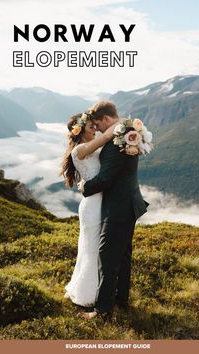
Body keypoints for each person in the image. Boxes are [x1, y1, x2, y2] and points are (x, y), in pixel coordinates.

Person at [77, 101, 148, 321]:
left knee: (106, 256)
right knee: (124, 254)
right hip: (128, 202)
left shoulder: (120, 139)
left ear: (106, 119)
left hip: (119, 206)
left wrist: (84, 187)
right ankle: (121, 300)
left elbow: (106, 178)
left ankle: (103, 311)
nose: (96, 129)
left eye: (97, 124)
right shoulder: (126, 132)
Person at [60, 111, 120, 307]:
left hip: (100, 202)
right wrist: (124, 124)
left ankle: (99, 291)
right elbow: (106, 137)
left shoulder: (87, 148)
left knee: (95, 248)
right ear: (79, 131)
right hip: (92, 206)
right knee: (93, 249)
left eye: (95, 126)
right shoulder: (79, 150)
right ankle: (89, 295)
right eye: (90, 127)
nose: (95, 129)